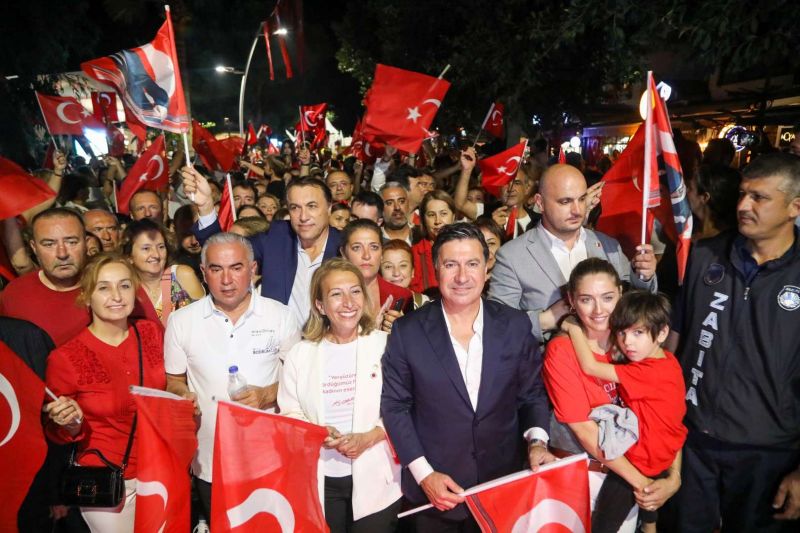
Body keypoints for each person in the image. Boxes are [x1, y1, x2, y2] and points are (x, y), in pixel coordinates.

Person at [381, 223, 553, 532]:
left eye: (472, 264)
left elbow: (532, 395)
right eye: (451, 265)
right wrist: (424, 474)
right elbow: (395, 407)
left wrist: (537, 442)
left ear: (487, 269)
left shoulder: (514, 326)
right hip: (435, 496)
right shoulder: (407, 332)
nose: (462, 277)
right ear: (436, 271)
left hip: (502, 487)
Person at [669, 152, 800, 531]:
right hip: (692, 442)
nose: (743, 205)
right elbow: (675, 342)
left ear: (794, 207)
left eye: (759, 197)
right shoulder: (704, 255)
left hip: (769, 454)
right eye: (743, 194)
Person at [164, 232, 301, 518]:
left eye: (236, 267)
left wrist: (266, 394)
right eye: (216, 269)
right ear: (203, 272)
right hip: (210, 460)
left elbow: (299, 381)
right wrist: (182, 395)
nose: (226, 279)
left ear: (252, 270)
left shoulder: (282, 316)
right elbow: (173, 380)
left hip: (270, 458)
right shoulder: (181, 322)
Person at [543, 258, 681, 533]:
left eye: (607, 297)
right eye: (586, 299)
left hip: (638, 475)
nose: (598, 310)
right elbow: (586, 433)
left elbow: (666, 417)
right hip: (589, 479)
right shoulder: (563, 351)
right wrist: (645, 485)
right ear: (571, 300)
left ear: (621, 293)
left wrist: (674, 477)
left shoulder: (636, 346)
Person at [44, 254, 166, 532]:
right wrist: (70, 423)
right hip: (107, 479)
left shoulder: (150, 333)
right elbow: (57, 431)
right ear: (87, 296)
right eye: (103, 287)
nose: (116, 296)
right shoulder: (66, 357)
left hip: (161, 472)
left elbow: (171, 387)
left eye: (124, 286)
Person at [278, 258, 401, 532]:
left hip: (377, 479)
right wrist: (316, 431)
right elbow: (290, 412)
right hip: (322, 479)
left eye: (355, 291)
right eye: (336, 294)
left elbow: (403, 407)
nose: (348, 302)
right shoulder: (301, 353)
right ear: (320, 305)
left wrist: (371, 436)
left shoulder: (386, 345)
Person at [490, 163, 657, 342]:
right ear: (540, 202)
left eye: (582, 199)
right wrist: (545, 320)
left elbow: (636, 303)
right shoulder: (511, 256)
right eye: (565, 201)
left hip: (608, 361)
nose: (577, 210)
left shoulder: (608, 245)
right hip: (546, 363)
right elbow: (497, 326)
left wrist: (644, 276)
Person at [183, 167, 341, 327]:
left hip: (330, 345)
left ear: (329, 208)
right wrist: (206, 207)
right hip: (278, 345)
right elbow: (224, 251)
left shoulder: (345, 246)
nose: (303, 216)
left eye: (312, 206)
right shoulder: (277, 237)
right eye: (295, 208)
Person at [0, 208, 90, 346]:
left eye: (71, 242)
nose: (62, 253)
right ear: (34, 247)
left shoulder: (113, 289)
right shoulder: (15, 294)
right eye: (49, 244)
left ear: (86, 243)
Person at [122, 219, 204, 327]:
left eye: (161, 247)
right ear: (129, 257)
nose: (156, 254)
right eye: (146, 248)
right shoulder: (125, 289)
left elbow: (205, 321)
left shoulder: (182, 275)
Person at [339, 219, 412, 332]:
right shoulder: (333, 296)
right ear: (343, 253)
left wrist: (403, 331)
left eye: (374, 247)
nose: (366, 255)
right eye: (357, 247)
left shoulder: (402, 296)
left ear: (382, 254)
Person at [455, 147, 541, 238]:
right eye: (505, 183)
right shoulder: (486, 212)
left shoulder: (538, 221)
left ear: (527, 188)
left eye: (517, 183)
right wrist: (467, 170)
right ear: (499, 188)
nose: (510, 189)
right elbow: (460, 204)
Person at [409, 190, 456, 293]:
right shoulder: (413, 254)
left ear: (453, 217)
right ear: (423, 220)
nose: (437, 221)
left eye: (443, 214)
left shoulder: (465, 249)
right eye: (431, 215)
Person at [381, 239, 430, 310]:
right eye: (388, 266)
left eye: (403, 265)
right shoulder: (371, 304)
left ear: (412, 271)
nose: (396, 273)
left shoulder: (426, 304)